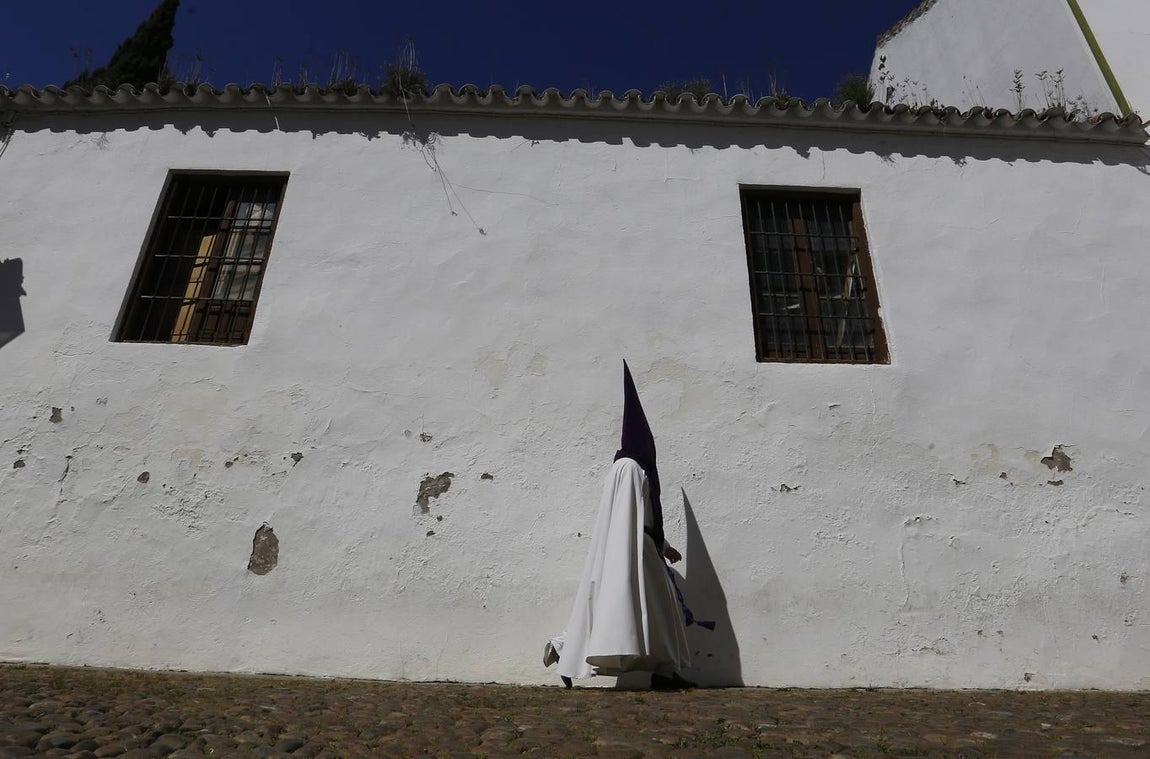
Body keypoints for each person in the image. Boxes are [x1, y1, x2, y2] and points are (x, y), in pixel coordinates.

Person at [545, 361, 695, 689]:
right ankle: (567, 650)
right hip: (632, 551)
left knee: (653, 612)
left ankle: (664, 671)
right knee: (623, 611)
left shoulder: (632, 467)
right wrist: (634, 552)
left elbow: (641, 514)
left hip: (640, 547)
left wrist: (662, 543)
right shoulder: (628, 467)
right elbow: (626, 515)